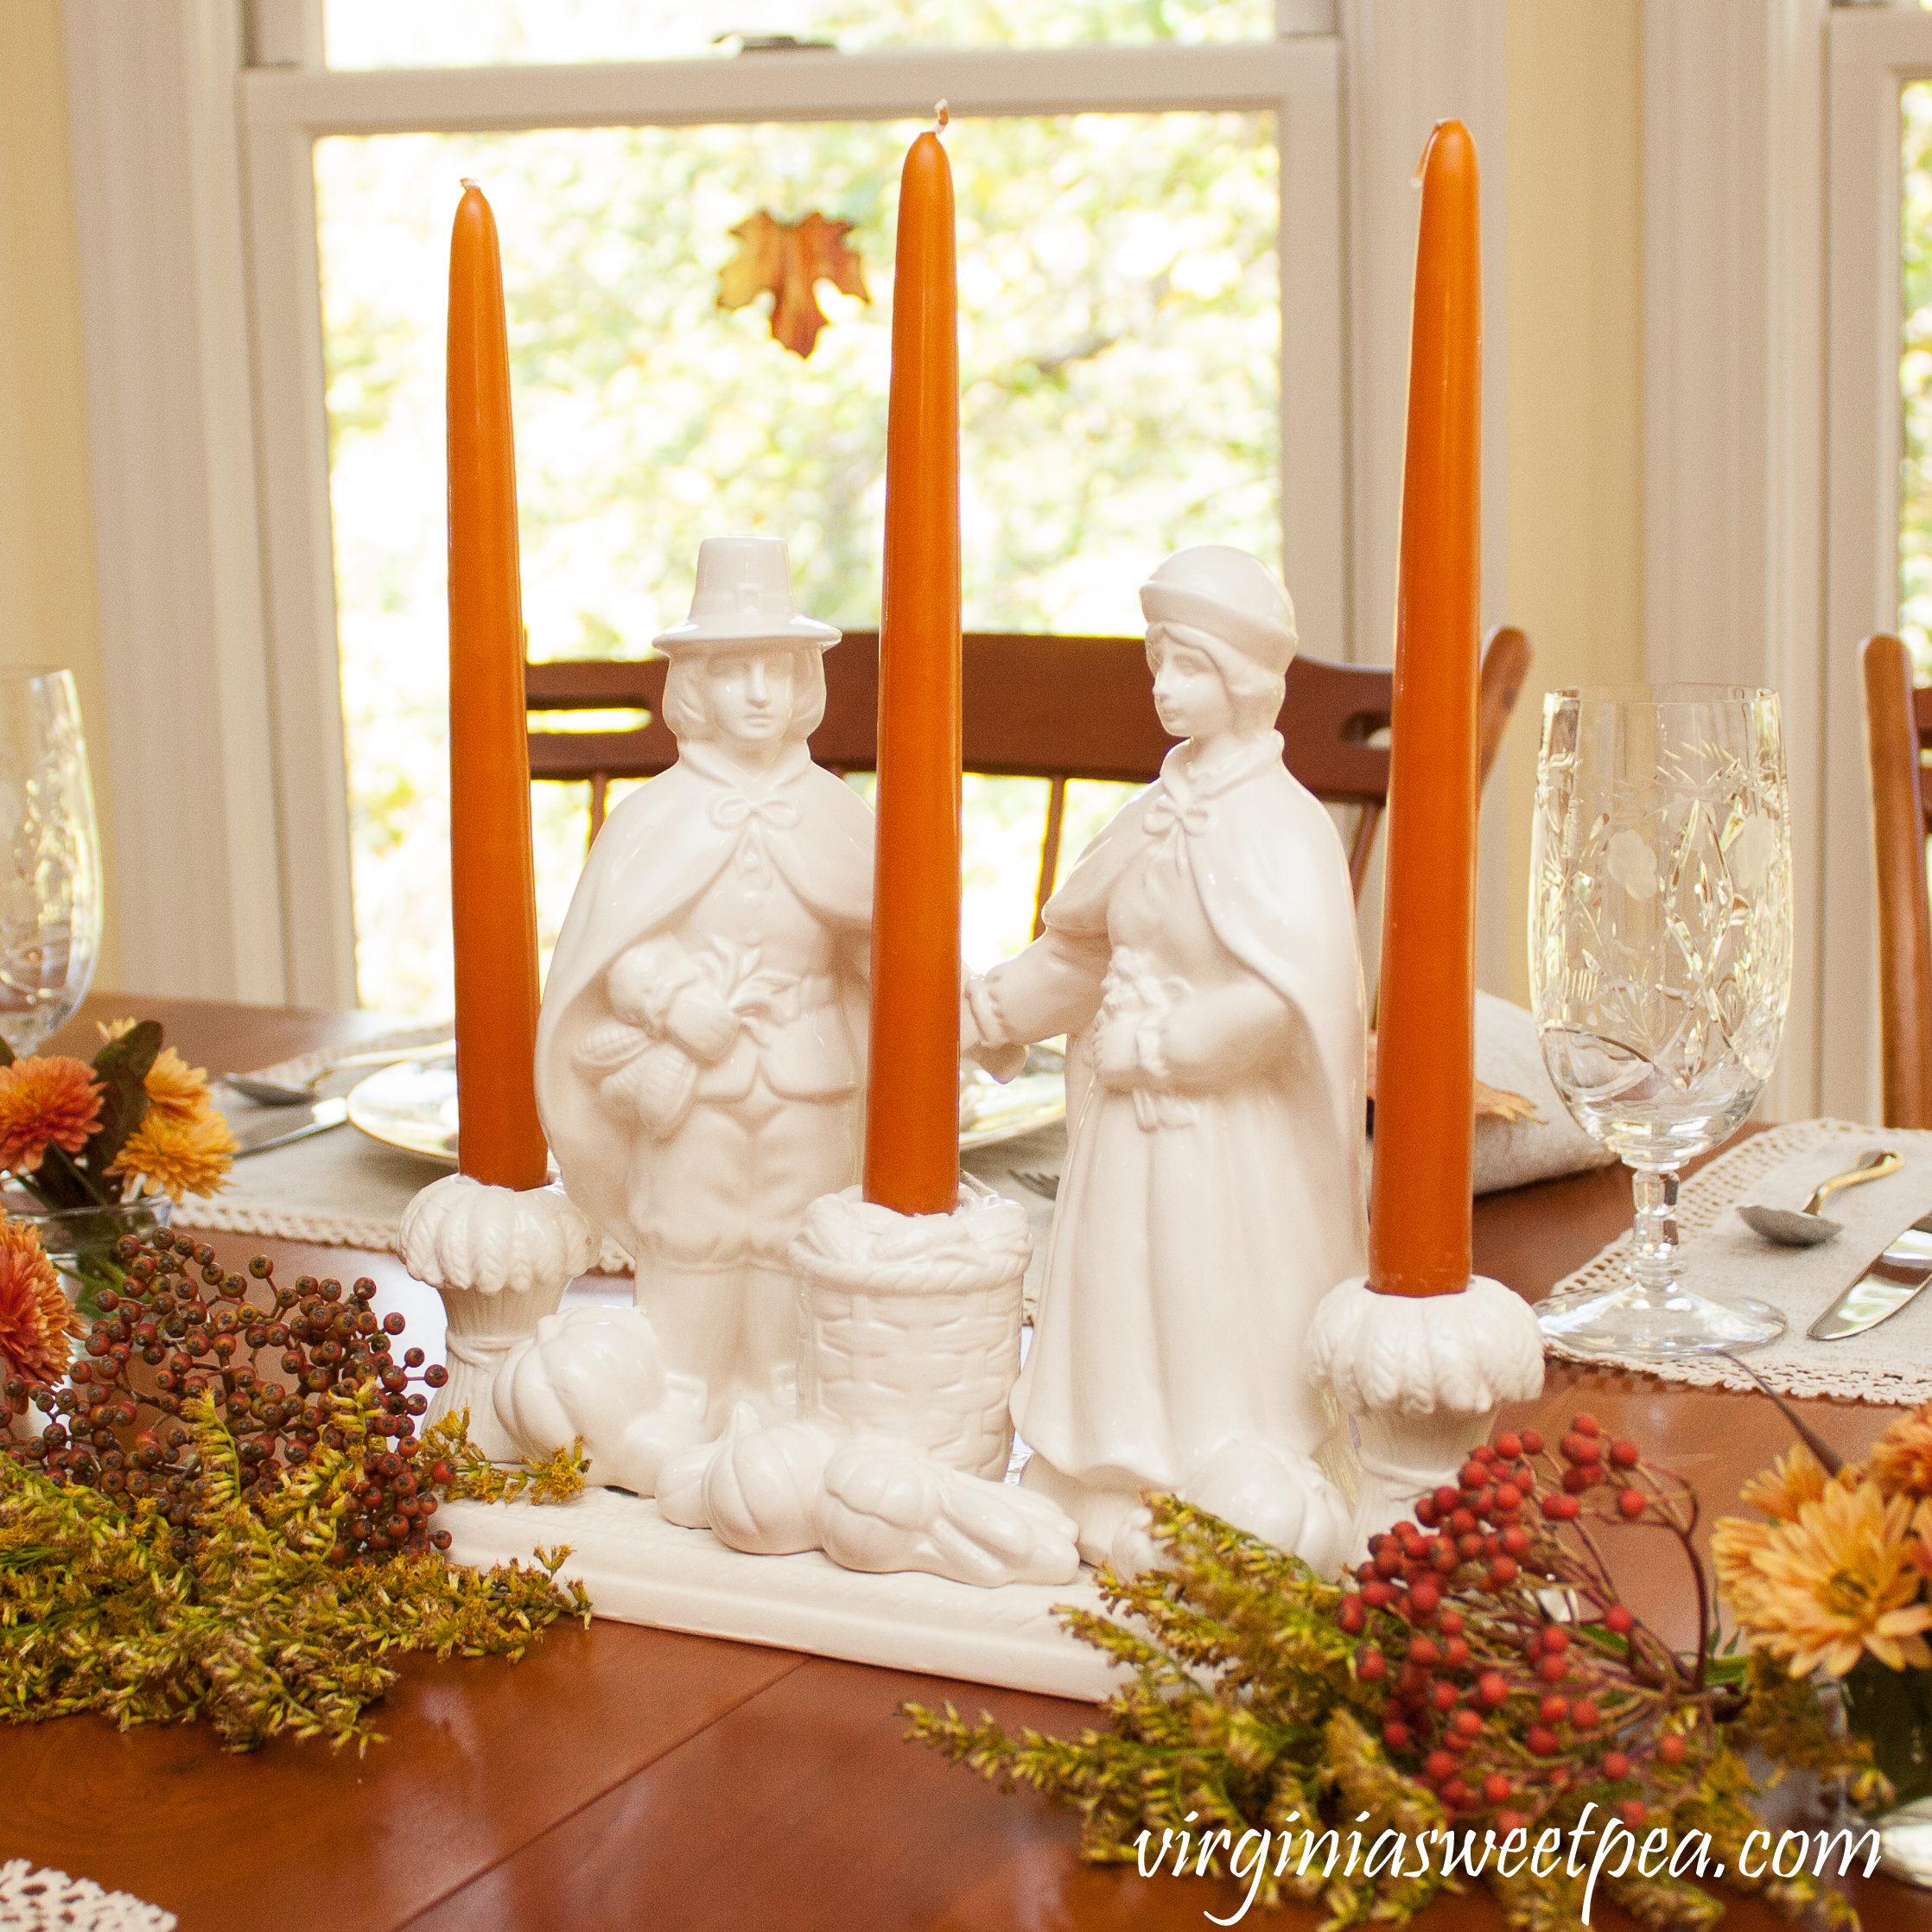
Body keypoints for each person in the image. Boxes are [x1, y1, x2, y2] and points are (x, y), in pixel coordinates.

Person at [961, 545, 1365, 1572]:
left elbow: (1285, 995)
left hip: (1220, 1137)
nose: (1162, 687)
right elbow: (1082, 951)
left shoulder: (1282, 826)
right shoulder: (1147, 816)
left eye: (1184, 664)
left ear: (1240, 678)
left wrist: (1170, 1043)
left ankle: (1218, 1475)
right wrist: (986, 1010)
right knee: (1117, 1290)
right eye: (1156, 663)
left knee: (1202, 1287)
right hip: (1126, 1132)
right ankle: (1105, 1465)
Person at [536, 537, 872, 1439]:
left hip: (811, 1071)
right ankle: (685, 1382)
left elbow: (881, 942)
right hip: (693, 1080)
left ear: (805, 679)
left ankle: (780, 1384)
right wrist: (668, 1000)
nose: (758, 692)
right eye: (733, 672)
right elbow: (614, 947)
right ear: (693, 685)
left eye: (775, 669)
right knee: (694, 1227)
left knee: (790, 1231)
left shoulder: (842, 814)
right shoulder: (653, 818)